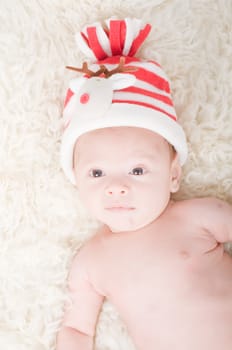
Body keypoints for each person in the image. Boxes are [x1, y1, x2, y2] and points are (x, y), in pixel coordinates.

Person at [57, 18, 232, 350]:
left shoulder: (200, 216)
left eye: (137, 170)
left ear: (173, 175)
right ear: (75, 181)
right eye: (96, 174)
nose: (117, 187)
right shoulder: (91, 260)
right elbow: (76, 331)